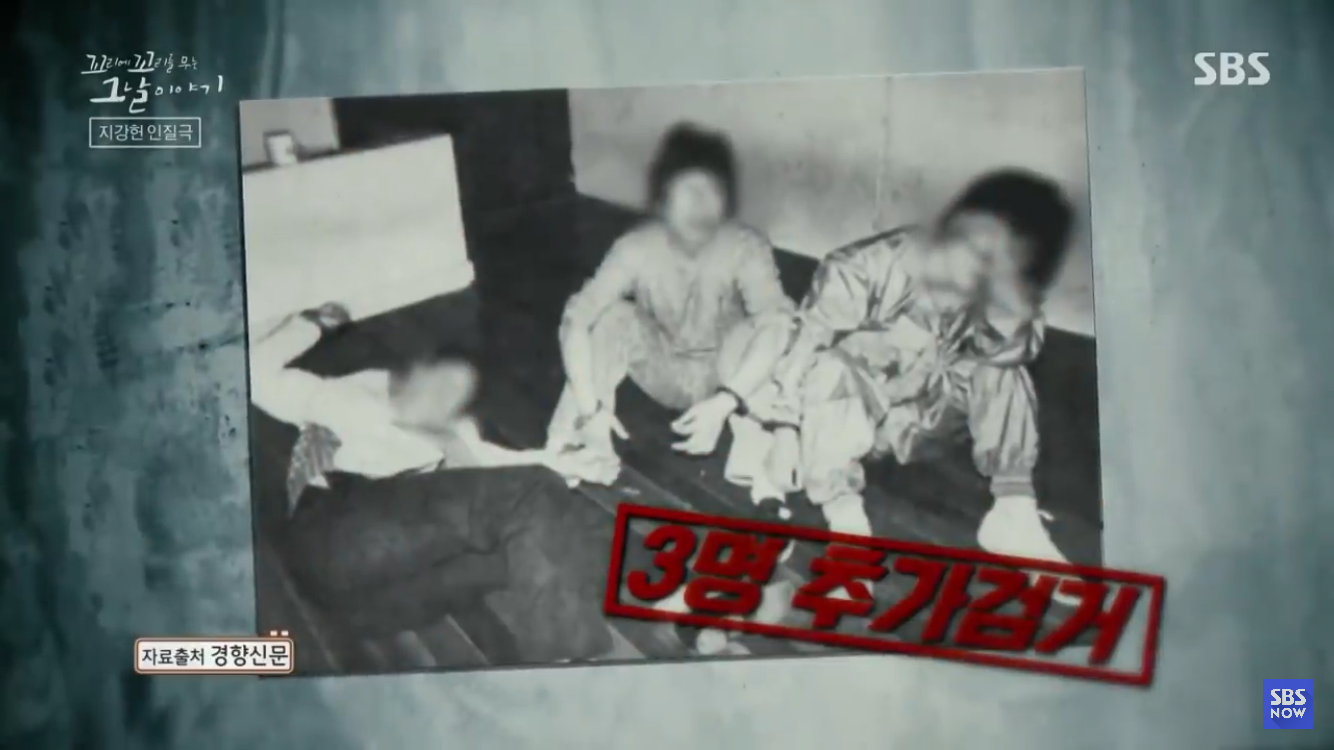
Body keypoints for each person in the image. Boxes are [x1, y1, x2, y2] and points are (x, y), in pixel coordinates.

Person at [733, 168, 1076, 567]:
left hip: (919, 423)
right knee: (830, 367)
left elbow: (1018, 352)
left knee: (1003, 369)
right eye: (976, 246)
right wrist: (786, 429)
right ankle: (847, 523)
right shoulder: (866, 265)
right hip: (839, 424)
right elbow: (804, 344)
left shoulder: (992, 288)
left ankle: (1012, 513)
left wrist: (1007, 305)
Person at [250, 303, 613, 662]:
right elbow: (255, 375)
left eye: (455, 397)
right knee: (529, 497)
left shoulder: (452, 438)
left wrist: (573, 463)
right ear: (413, 372)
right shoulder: (347, 399)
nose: (443, 401)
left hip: (374, 605)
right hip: (333, 535)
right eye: (441, 384)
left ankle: (622, 613)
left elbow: (506, 471)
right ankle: (569, 661)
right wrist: (313, 324)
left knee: (561, 537)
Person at [545, 123, 796, 485]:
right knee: (612, 317)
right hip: (661, 366)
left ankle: (759, 461)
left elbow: (777, 323)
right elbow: (576, 319)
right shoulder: (634, 247)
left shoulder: (746, 245)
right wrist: (590, 408)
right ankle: (578, 439)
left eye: (711, 192)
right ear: (663, 200)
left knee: (769, 328)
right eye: (687, 192)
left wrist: (727, 400)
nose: (700, 206)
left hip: (726, 373)